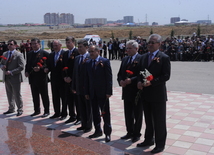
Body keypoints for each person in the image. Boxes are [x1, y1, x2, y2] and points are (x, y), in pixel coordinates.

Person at [137, 34, 171, 154]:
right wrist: (139, 82)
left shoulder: (164, 58)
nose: (150, 44)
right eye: (149, 42)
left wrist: (152, 82)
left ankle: (160, 144)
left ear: (159, 44)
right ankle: (148, 140)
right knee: (148, 119)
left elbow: (166, 76)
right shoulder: (143, 57)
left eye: (153, 42)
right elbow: (140, 72)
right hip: (145, 94)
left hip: (158, 95)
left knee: (159, 121)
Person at [85, 45, 112, 142]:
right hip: (92, 93)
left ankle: (107, 133)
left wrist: (109, 91)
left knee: (105, 113)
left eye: (92, 51)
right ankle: (97, 130)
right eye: (90, 52)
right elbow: (87, 79)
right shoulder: (88, 63)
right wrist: (87, 92)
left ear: (98, 52)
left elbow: (109, 77)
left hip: (103, 92)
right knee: (95, 113)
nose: (91, 53)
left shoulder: (104, 61)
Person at [117, 40, 143, 143]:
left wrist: (131, 80)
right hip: (126, 91)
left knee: (137, 114)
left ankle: (137, 133)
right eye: (126, 48)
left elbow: (142, 74)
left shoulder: (141, 59)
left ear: (136, 49)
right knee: (128, 113)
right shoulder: (125, 59)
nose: (127, 50)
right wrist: (120, 81)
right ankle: (129, 131)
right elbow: (120, 74)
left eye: (129, 48)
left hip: (136, 91)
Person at [25, 38, 50, 118]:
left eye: (35, 43)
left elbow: (48, 65)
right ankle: (36, 110)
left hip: (42, 78)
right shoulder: (29, 53)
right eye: (32, 44)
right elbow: (27, 64)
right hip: (32, 78)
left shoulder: (45, 53)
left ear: (39, 44)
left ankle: (46, 111)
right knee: (35, 95)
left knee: (44, 95)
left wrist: (41, 68)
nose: (34, 45)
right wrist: (27, 71)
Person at [72, 39, 92, 133]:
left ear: (86, 47)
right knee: (81, 107)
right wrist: (73, 86)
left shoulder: (90, 57)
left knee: (88, 107)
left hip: (87, 88)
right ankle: (83, 124)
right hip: (79, 88)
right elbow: (75, 73)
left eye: (81, 47)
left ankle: (88, 125)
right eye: (78, 47)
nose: (79, 49)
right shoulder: (77, 58)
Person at [0, 39, 24, 116]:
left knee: (17, 94)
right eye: (8, 44)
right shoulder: (5, 54)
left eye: (11, 44)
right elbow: (1, 63)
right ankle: (11, 108)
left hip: (15, 77)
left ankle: (20, 109)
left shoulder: (19, 54)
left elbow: (21, 67)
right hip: (6, 77)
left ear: (15, 45)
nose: (9, 45)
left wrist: (11, 72)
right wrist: (2, 66)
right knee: (9, 93)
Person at [44, 40, 66, 119]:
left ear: (60, 45)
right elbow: (49, 65)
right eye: (53, 46)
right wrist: (46, 69)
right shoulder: (51, 55)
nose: (55, 47)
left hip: (62, 79)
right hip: (54, 79)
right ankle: (57, 112)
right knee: (55, 96)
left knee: (63, 97)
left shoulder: (64, 54)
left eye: (56, 45)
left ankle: (64, 113)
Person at [62, 36, 80, 124]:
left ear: (73, 42)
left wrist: (72, 78)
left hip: (75, 80)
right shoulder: (65, 54)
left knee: (77, 100)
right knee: (69, 99)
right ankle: (72, 116)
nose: (67, 44)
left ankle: (79, 117)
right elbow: (63, 67)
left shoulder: (77, 52)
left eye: (69, 42)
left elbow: (77, 68)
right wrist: (65, 77)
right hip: (67, 81)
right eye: (66, 42)